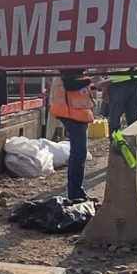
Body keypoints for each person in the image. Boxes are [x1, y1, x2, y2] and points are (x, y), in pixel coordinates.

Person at [49, 68, 94, 202]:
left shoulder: (75, 66)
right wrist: (89, 79)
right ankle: (75, 193)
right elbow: (71, 84)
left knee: (79, 153)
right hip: (70, 112)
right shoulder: (69, 66)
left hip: (76, 112)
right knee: (79, 153)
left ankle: (76, 192)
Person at [106, 67, 137, 132]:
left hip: (134, 80)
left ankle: (126, 140)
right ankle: (117, 140)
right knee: (115, 120)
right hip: (118, 82)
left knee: (134, 120)